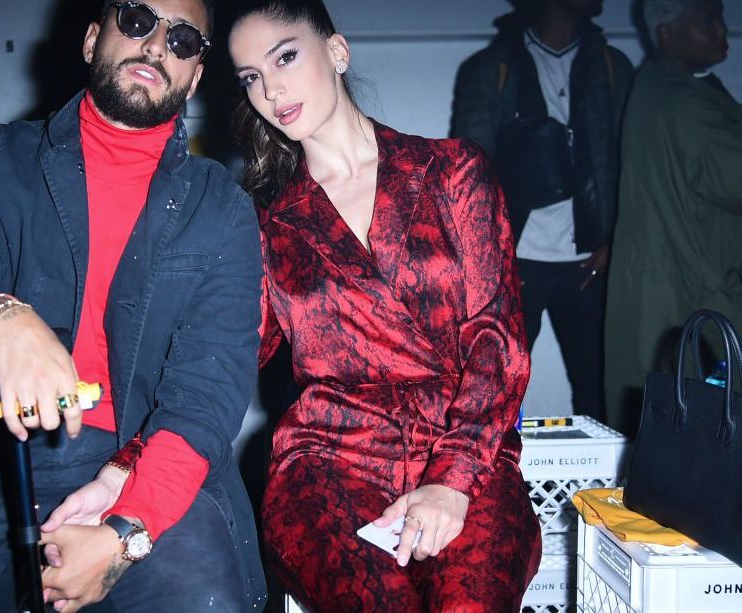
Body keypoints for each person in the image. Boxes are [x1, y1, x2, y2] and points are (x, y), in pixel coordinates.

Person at [0, 1, 266, 611]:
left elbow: (207, 394)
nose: (157, 44)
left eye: (184, 39)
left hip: (143, 461)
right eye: (137, 19)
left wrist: (126, 529)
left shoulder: (221, 207)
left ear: (194, 77)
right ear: (91, 40)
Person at [229, 0, 542, 610]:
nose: (271, 90)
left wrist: (452, 479)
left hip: (464, 449)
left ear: (337, 52)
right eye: (251, 78)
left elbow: (497, 341)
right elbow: (224, 354)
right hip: (329, 462)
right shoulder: (269, 227)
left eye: (285, 57)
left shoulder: (453, 172)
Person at [451, 0, 634, 423]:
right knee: (494, 394)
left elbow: (634, 161)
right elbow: (466, 171)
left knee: (599, 395)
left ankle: (598, 471)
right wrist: (488, 257)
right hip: (516, 261)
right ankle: (498, 468)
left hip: (590, 262)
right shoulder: (493, 67)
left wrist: (617, 240)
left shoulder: (610, 65)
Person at [605, 0, 740, 435]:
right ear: (666, 34)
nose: (721, 30)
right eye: (707, 21)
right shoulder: (683, 101)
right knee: (704, 427)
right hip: (693, 290)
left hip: (666, 287)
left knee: (668, 427)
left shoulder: (657, 85)